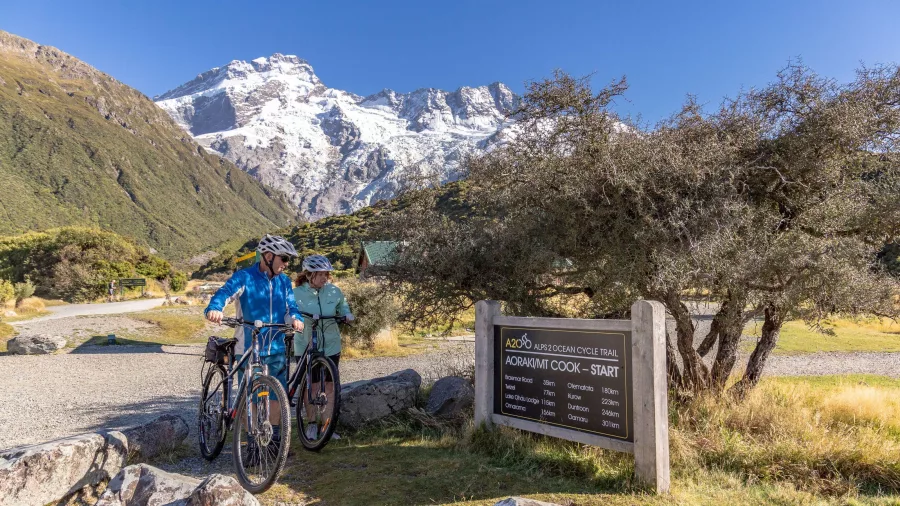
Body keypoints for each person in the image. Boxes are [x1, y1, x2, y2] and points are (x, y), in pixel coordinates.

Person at [204, 235, 304, 454]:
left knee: (278, 395)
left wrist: (295, 319)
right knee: (252, 397)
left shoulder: (284, 281)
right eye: (284, 258)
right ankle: (252, 444)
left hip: (275, 346)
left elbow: (291, 307)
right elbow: (225, 293)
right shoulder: (244, 277)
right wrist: (216, 308)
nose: (286, 264)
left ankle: (274, 440)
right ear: (268, 256)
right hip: (248, 345)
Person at [293, 254, 354, 440]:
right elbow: (290, 311)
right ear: (309, 275)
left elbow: (342, 307)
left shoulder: (334, 291)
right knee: (310, 386)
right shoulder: (296, 294)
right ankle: (311, 424)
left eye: (326, 274)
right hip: (305, 345)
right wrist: (294, 318)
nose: (324, 278)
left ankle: (327, 427)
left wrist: (347, 314)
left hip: (331, 344)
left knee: (329, 386)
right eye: (320, 274)